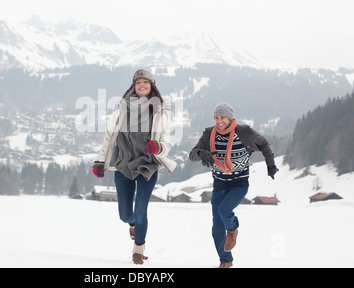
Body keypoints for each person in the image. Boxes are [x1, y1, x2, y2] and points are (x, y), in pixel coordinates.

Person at [92, 69, 176, 265]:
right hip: (124, 165)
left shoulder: (160, 111)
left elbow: (167, 142)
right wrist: (100, 161)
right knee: (124, 215)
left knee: (141, 211)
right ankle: (132, 224)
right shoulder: (122, 109)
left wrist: (158, 146)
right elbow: (109, 137)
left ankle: (138, 250)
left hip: (148, 166)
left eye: (145, 82)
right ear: (134, 86)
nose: (142, 85)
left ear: (152, 85)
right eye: (138, 82)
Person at [189, 102, 278, 268]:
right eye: (216, 117)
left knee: (224, 210)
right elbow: (192, 155)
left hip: (239, 183)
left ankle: (232, 230)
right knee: (216, 228)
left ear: (230, 118)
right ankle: (226, 260)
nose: (219, 121)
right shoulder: (209, 134)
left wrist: (271, 165)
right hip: (219, 184)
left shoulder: (244, 133)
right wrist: (203, 153)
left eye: (222, 117)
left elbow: (264, 144)